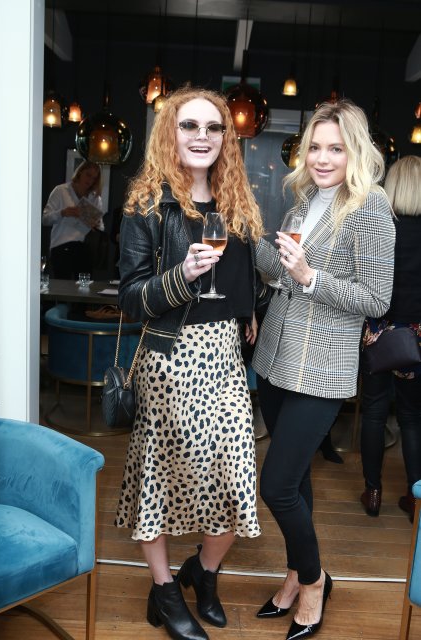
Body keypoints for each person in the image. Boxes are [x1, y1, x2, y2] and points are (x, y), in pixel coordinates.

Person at [114, 86, 270, 640]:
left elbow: (247, 276)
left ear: (226, 137)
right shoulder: (146, 206)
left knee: (236, 477)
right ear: (170, 134)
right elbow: (130, 297)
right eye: (189, 126)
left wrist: (251, 309)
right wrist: (182, 276)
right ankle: (163, 590)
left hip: (226, 357)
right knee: (159, 475)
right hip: (170, 359)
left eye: (213, 127)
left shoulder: (237, 203)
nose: (202, 137)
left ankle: (202, 572)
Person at [251, 99, 395, 640]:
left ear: (356, 151)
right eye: (315, 147)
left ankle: (314, 581)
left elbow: (376, 299)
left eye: (336, 148)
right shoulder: (303, 201)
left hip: (322, 367)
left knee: (276, 486)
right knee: (298, 481)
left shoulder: (371, 206)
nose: (322, 158)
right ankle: (295, 573)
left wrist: (310, 276)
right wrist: (254, 237)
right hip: (274, 360)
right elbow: (279, 273)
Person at [360, 155, 421, 523]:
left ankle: (373, 492)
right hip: (417, 338)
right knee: (412, 417)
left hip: (379, 333)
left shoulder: (381, 227)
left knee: (374, 412)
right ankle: (415, 498)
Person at [42, 160, 104, 279]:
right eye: (88, 175)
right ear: (80, 172)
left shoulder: (95, 198)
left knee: (84, 285)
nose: (90, 180)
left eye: (94, 178)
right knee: (63, 286)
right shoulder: (61, 191)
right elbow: (45, 219)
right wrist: (63, 213)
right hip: (61, 246)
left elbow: (101, 226)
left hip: (84, 248)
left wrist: (96, 224)